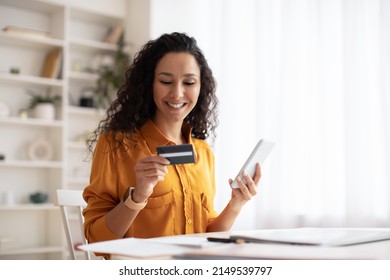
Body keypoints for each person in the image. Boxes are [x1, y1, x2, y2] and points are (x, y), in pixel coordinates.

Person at [82, 32, 261, 247]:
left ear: (200, 87)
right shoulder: (116, 146)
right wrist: (138, 196)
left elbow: (206, 235)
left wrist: (236, 204)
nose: (177, 93)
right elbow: (96, 239)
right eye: (166, 81)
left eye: (189, 82)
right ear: (149, 84)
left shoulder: (203, 152)